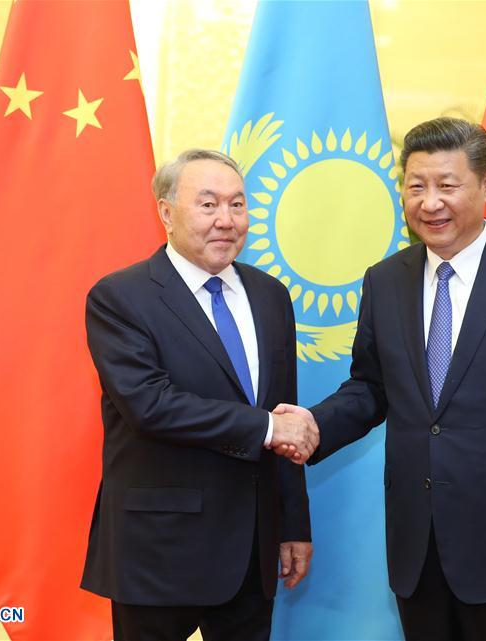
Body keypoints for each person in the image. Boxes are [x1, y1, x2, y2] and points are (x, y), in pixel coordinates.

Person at [276, 118, 486, 640]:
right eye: (416, 187)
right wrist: (314, 425)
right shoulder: (385, 280)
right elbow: (371, 388)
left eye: (447, 186)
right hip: (420, 546)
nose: (430, 202)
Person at [81, 149, 318, 641]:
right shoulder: (121, 297)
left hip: (253, 549)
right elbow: (150, 406)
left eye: (237, 204)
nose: (226, 220)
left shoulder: (271, 295)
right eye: (208, 205)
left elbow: (285, 412)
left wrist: (292, 523)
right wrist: (269, 428)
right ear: (166, 213)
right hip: (159, 549)